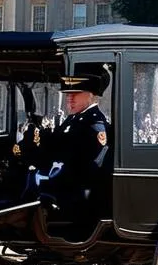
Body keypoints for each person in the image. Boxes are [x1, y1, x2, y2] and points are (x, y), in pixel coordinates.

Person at [32, 68, 112, 218]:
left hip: (75, 187)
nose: (70, 98)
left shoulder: (95, 124)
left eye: (76, 93)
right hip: (61, 178)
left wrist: (52, 177)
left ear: (91, 95)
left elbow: (90, 166)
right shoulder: (73, 118)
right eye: (68, 93)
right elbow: (58, 147)